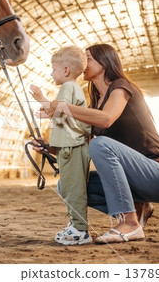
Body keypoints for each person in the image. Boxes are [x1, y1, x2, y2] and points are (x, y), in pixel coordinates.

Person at [36, 43, 159, 244]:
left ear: (105, 61)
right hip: (137, 184)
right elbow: (82, 143)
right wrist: (50, 147)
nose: (84, 63)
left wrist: (62, 107)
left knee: (100, 144)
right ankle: (139, 206)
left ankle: (129, 222)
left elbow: (106, 119)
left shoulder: (121, 86)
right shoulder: (95, 103)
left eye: (89, 58)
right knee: (67, 185)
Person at [30, 46, 92, 245]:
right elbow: (62, 113)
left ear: (66, 71)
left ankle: (80, 231)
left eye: (53, 69)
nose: (51, 73)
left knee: (73, 189)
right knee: (68, 187)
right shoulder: (73, 89)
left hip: (72, 148)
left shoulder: (67, 87)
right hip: (70, 147)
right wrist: (48, 111)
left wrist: (41, 99)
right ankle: (75, 224)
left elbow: (61, 109)